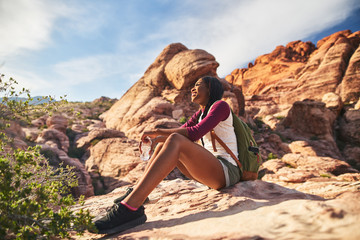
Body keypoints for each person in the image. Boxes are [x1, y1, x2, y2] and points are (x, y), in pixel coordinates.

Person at [94, 76, 241, 235]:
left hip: (227, 171)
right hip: (212, 172)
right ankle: (138, 194)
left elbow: (194, 133)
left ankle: (129, 209)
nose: (192, 88)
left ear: (210, 89)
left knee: (175, 140)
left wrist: (157, 131)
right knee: (166, 143)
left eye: (198, 85)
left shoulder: (220, 106)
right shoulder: (199, 114)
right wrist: (156, 139)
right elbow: (182, 132)